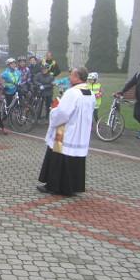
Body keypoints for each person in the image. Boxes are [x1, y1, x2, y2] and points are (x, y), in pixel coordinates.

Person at [38, 67, 96, 196]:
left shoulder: (72, 93)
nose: (69, 77)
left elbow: (63, 113)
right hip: (81, 133)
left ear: (77, 77)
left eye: (71, 75)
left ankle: (54, 186)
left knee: (58, 156)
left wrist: (54, 110)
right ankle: (72, 187)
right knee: (75, 159)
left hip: (66, 132)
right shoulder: (90, 93)